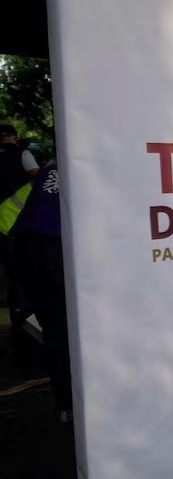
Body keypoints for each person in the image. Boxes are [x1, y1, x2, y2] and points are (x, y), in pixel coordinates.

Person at [11, 161, 71, 422]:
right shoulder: (91, 163)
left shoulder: (55, 165)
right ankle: (77, 401)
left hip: (26, 248)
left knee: (56, 330)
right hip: (56, 249)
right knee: (72, 329)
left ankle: (66, 405)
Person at [0, 124, 40, 350]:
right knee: (22, 276)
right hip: (16, 225)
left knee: (10, 277)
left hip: (3, 227)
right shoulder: (23, 154)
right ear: (15, 137)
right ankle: (25, 330)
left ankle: (18, 325)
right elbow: (37, 177)